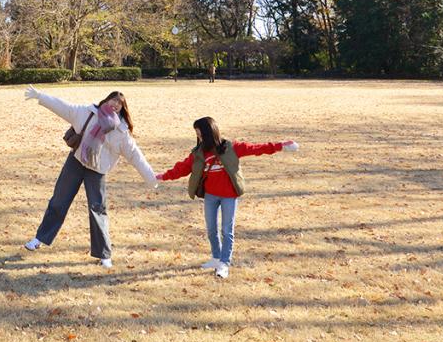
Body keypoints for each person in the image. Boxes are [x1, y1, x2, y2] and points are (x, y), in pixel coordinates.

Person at [21, 85, 157, 268]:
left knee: (97, 210)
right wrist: (41, 96)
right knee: (58, 201)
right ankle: (39, 238)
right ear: (107, 100)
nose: (115, 104)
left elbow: (135, 156)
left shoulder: (122, 132)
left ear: (123, 108)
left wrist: (151, 177)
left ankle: (104, 255)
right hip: (75, 162)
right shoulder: (88, 113)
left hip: (97, 171)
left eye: (119, 102)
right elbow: (64, 107)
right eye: (113, 99)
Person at [156, 116, 298, 279]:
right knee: (211, 230)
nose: (199, 137)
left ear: (209, 132)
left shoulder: (231, 147)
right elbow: (182, 168)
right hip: (210, 196)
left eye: (200, 133)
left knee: (226, 230)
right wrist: (162, 176)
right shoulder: (199, 153)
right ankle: (216, 258)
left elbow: (257, 148)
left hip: (229, 196)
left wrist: (281, 146)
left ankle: (224, 263)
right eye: (196, 134)